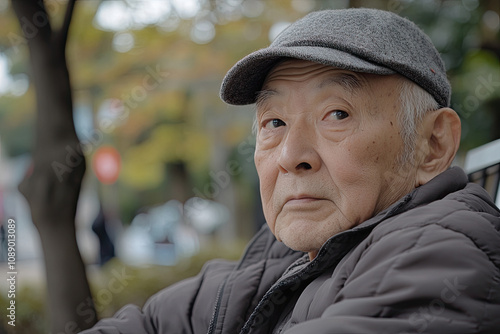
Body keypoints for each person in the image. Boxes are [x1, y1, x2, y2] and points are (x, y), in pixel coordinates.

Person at [81, 8, 500, 334]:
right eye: (274, 123)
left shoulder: (442, 257)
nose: (290, 155)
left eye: (337, 114)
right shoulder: (281, 259)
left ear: (433, 145)